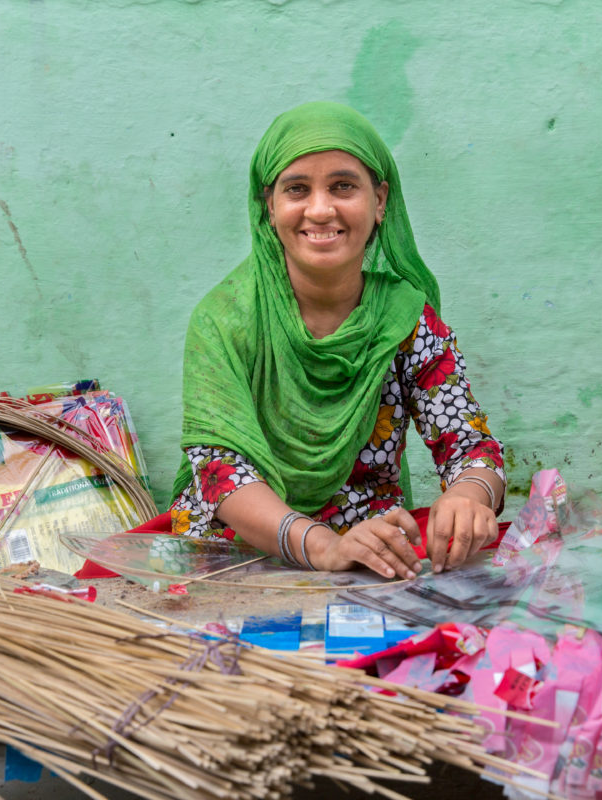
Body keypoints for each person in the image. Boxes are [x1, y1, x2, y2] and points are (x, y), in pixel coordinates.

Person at [168, 101, 506, 579]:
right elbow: (222, 472)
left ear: (380, 201)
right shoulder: (223, 321)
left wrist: (469, 495)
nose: (321, 209)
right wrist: (324, 548)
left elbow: (470, 443)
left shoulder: (406, 320)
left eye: (343, 186)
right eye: (297, 190)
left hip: (370, 555)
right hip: (234, 557)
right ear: (270, 206)